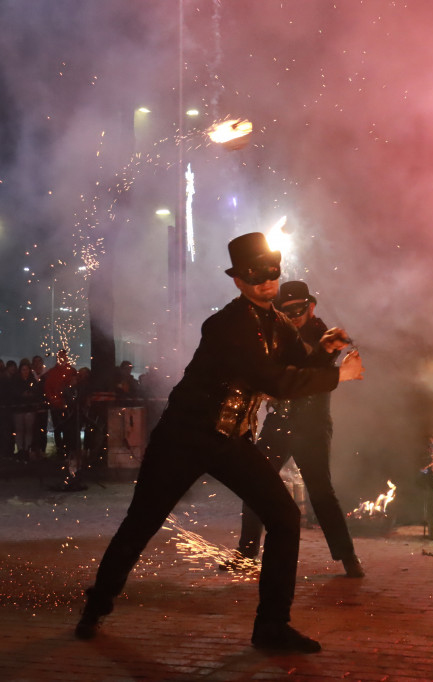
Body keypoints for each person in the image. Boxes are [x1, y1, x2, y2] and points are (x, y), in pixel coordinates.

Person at [75, 232, 364, 653]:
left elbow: (295, 362)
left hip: (231, 439)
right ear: (238, 280)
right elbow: (275, 381)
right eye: (254, 274)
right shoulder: (228, 324)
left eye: (271, 272)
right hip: (184, 438)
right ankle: (95, 608)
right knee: (142, 522)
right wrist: (339, 375)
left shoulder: (277, 323)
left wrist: (323, 350)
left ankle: (271, 626)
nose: (266, 281)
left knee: (283, 517)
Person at [226, 281, 364, 578]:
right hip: (280, 422)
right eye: (287, 311)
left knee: (321, 491)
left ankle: (348, 556)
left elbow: (314, 368)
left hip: (312, 424)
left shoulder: (320, 334)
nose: (295, 315)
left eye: (299, 310)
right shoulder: (278, 334)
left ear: (310, 307)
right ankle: (247, 552)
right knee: (255, 481)